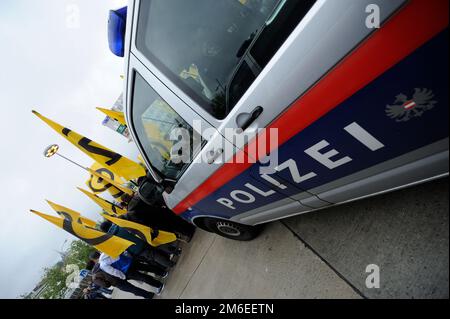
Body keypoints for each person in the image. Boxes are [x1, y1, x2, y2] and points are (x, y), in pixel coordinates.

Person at [99, 220, 175, 270]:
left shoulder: (112, 239)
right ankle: (175, 252)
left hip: (136, 249)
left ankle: (170, 264)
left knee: (154, 256)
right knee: (158, 245)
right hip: (142, 239)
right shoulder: (120, 224)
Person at [90, 251, 165, 295]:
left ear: (94, 259)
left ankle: (159, 285)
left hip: (126, 270)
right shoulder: (108, 251)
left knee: (142, 277)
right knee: (146, 267)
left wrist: (122, 276)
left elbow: (114, 272)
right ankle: (163, 272)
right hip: (129, 261)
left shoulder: (102, 264)